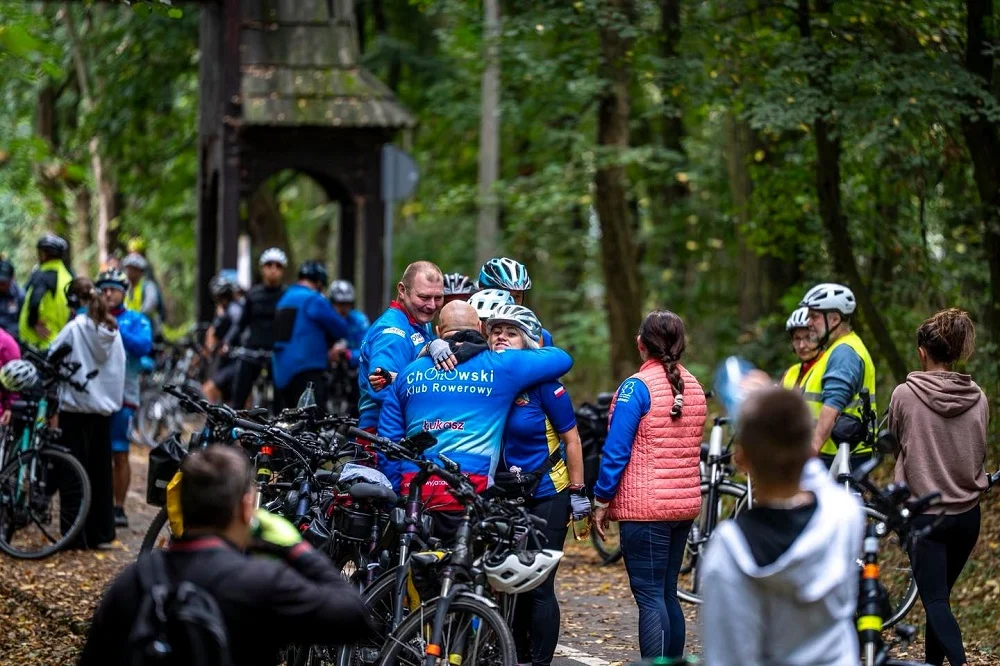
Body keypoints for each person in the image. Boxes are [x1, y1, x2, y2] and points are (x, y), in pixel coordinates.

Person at [79, 446, 374, 666]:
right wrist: (295, 549)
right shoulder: (262, 583)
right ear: (247, 508)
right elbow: (354, 617)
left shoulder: (133, 580)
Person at [700, 386, 864, 666]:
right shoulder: (844, 515)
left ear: (742, 458)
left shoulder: (729, 551)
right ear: (809, 448)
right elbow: (814, 472)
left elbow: (729, 658)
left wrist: (763, 411)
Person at [378, 302, 573, 529]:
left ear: (439, 332)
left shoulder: (407, 374)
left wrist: (396, 495)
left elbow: (388, 441)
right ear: (481, 329)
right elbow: (561, 358)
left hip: (416, 495)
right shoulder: (501, 366)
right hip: (471, 494)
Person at [592, 310, 706, 661]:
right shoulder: (695, 387)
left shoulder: (635, 388)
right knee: (667, 593)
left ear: (641, 344)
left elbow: (615, 450)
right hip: (682, 506)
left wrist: (601, 499)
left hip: (646, 510)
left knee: (650, 597)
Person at [485, 304, 588, 666]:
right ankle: (513, 655)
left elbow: (572, 440)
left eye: (510, 331)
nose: (501, 335)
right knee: (506, 582)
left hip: (547, 492)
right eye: (495, 329)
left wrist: (579, 497)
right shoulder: (487, 379)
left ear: (528, 342)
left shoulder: (547, 387)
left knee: (539, 585)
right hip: (501, 494)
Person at [887, 308, 989, 666]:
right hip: (967, 516)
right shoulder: (978, 397)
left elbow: (896, 441)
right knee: (940, 595)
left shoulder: (904, 394)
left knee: (935, 601)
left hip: (925, 516)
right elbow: (978, 450)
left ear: (922, 352)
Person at [51, 281, 126, 549]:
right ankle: (101, 533)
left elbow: (52, 356)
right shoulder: (112, 331)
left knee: (73, 472)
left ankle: (74, 536)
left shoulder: (74, 329)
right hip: (103, 412)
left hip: (74, 410)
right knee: (99, 472)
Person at [797, 283, 878, 468]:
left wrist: (812, 448)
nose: (808, 322)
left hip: (838, 457)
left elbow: (833, 405)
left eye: (814, 317)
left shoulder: (844, 352)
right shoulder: (839, 349)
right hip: (835, 454)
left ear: (834, 319)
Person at [358, 261, 445, 432]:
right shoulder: (392, 334)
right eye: (424, 297)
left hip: (405, 431)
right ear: (402, 290)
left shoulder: (418, 321)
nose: (432, 305)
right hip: (381, 437)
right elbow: (381, 388)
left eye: (438, 297)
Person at [97, 269, 153, 529]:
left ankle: (118, 507)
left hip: (124, 396)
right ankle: (97, 504)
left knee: (120, 453)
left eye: (113, 289)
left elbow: (143, 346)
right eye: (104, 289)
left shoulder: (136, 319)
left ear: (123, 292)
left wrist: (115, 326)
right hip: (93, 397)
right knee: (97, 453)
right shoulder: (89, 316)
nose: (108, 293)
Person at [272, 261, 348, 410]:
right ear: (319, 283)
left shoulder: (284, 299)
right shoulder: (313, 299)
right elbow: (340, 328)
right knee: (312, 425)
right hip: (307, 370)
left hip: (280, 371)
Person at [224, 248, 287, 409]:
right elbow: (240, 323)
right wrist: (227, 342)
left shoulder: (287, 296)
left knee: (283, 399)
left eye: (278, 266)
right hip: (252, 352)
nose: (273, 269)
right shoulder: (253, 295)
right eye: (269, 265)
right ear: (262, 268)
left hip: (278, 354)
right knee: (238, 395)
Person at [478, 257, 553, 345]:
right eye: (502, 296)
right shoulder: (468, 330)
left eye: (516, 296)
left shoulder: (539, 336)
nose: (511, 303)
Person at [19, 233, 73, 350]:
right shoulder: (67, 276)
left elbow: (35, 301)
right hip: (59, 338)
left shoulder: (43, 274)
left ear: (44, 254)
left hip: (38, 341)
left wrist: (32, 322)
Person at [202, 273, 243, 405]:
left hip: (235, 361)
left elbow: (214, 335)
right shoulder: (229, 311)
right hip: (230, 361)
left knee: (208, 390)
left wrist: (226, 342)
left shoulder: (233, 310)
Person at [122, 252, 163, 339]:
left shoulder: (148, 286)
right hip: (130, 328)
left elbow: (149, 305)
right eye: (127, 268)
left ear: (139, 271)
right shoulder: (124, 287)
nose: (128, 272)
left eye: (132, 269)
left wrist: (135, 317)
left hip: (148, 329)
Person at [780, 306, 823, 390]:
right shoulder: (790, 372)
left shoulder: (831, 368)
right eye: (797, 339)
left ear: (821, 339)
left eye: (808, 338)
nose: (801, 345)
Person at [0, 259, 24, 339]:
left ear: (11, 278)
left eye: (4, 282)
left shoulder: (20, 295)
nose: (1, 285)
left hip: (13, 339)